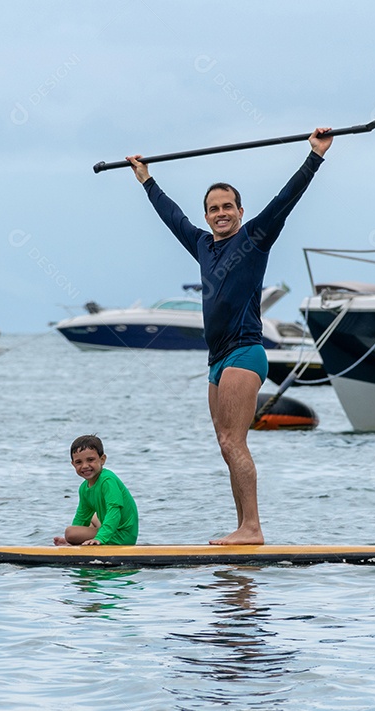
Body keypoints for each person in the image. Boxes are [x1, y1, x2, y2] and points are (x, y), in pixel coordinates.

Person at [126, 128, 332, 545]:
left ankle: (252, 527)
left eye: (227, 206)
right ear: (206, 215)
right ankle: (243, 527)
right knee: (225, 442)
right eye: (213, 208)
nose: (220, 213)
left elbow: (285, 201)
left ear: (240, 209)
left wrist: (314, 156)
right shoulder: (202, 244)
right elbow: (172, 218)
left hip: (245, 352)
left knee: (234, 440)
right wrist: (147, 180)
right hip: (216, 360)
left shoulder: (255, 238)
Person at [53, 434, 139, 546]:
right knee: (91, 520)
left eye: (90, 460)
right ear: (73, 464)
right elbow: (82, 517)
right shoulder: (84, 488)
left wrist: (100, 538)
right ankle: (75, 541)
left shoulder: (107, 480)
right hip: (111, 530)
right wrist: (73, 541)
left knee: (70, 532)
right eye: (79, 462)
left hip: (122, 536)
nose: (84, 466)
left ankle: (98, 538)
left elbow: (114, 511)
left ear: (102, 459)